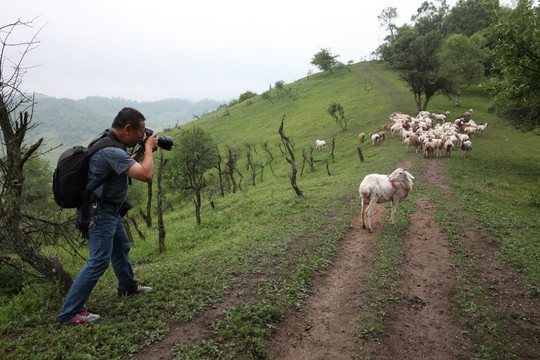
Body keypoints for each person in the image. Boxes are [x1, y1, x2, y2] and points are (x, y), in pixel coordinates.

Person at [58, 107, 158, 325]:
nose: (143, 136)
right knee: (99, 260)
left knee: (121, 248)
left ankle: (128, 287)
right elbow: (145, 175)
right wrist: (149, 148)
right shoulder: (111, 150)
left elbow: (124, 164)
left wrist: (140, 151)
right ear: (127, 128)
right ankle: (70, 312)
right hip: (98, 212)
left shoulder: (106, 139)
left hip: (109, 209)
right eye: (140, 132)